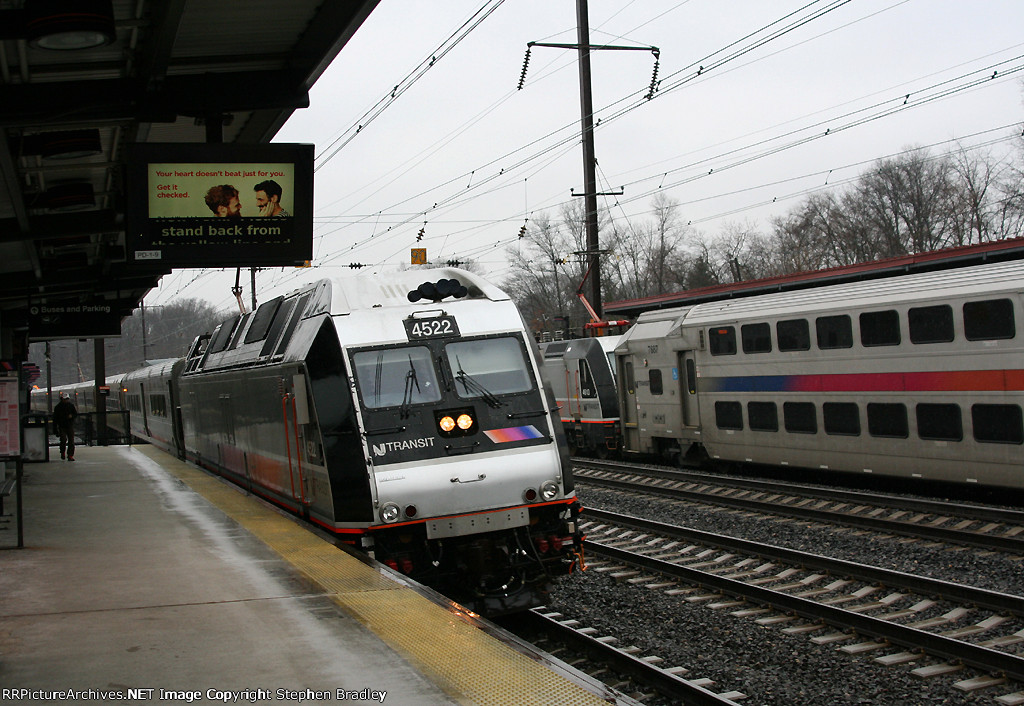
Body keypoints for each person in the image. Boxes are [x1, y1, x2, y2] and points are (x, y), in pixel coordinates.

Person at [53, 392, 78, 461]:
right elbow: (55, 418)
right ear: (61, 399)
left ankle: (70, 455)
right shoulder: (58, 407)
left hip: (69, 426)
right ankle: (63, 452)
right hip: (62, 426)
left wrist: (72, 416)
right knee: (63, 440)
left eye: (67, 399)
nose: (66, 400)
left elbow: (75, 414)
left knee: (71, 441)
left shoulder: (71, 406)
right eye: (65, 399)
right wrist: (55, 429)